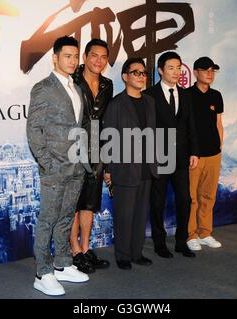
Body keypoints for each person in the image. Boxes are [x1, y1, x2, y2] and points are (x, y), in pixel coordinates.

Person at [26, 36, 88, 296]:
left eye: (75, 56)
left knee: (66, 217)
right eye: (67, 56)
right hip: (54, 168)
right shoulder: (43, 88)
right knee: (48, 220)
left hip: (76, 165)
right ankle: (43, 272)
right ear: (55, 57)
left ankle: (63, 263)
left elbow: (80, 126)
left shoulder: (76, 87)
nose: (73, 61)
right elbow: (34, 129)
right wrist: (48, 163)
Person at [102, 58, 158, 270]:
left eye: (143, 73)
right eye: (136, 72)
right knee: (124, 214)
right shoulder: (116, 104)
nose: (141, 76)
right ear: (125, 77)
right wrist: (107, 169)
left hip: (147, 167)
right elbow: (108, 138)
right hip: (124, 168)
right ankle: (123, 255)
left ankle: (137, 252)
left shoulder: (150, 102)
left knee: (140, 214)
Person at [144, 52, 199, 258]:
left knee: (185, 199)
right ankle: (159, 242)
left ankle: (181, 241)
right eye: (171, 68)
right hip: (159, 157)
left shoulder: (186, 94)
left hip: (182, 157)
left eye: (178, 68)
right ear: (160, 70)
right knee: (157, 201)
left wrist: (194, 151)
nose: (176, 72)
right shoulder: (149, 95)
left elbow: (191, 125)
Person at [69, 39, 113, 273]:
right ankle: (74, 251)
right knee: (73, 204)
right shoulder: (71, 80)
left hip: (97, 149)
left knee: (90, 203)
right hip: (73, 147)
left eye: (103, 57)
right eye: (94, 55)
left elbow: (105, 121)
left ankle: (85, 249)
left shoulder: (108, 85)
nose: (98, 60)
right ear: (85, 56)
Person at [186, 57, 224, 251]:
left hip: (213, 154)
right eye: (205, 70)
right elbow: (183, 127)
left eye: (212, 70)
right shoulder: (187, 95)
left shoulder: (216, 96)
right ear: (195, 72)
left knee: (208, 196)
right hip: (194, 155)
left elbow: (218, 123)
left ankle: (205, 232)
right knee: (191, 197)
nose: (209, 73)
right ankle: (190, 234)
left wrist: (220, 148)